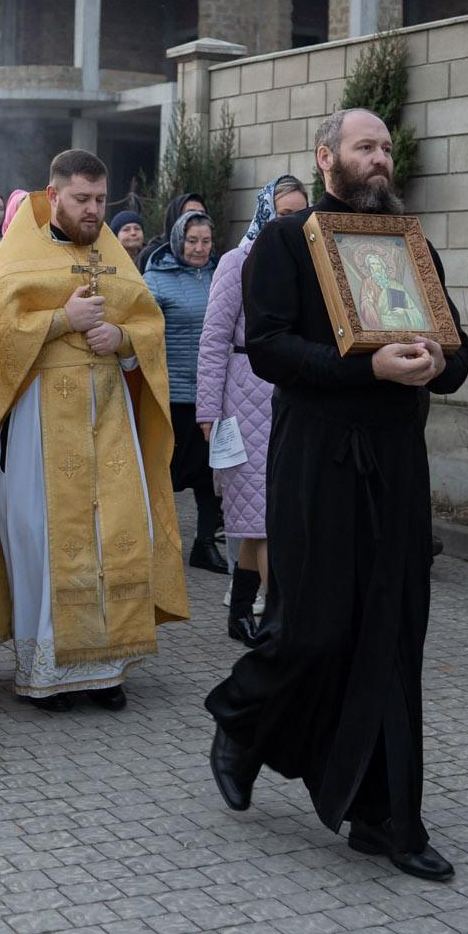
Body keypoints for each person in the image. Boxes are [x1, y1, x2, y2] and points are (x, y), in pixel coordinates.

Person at [205, 109, 468, 882]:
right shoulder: (286, 241)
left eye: (386, 147)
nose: (381, 157)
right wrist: (368, 368)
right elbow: (271, 349)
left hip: (397, 460)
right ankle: (241, 719)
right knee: (315, 625)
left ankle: (385, 815)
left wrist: (435, 363)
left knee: (393, 631)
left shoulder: (411, 247)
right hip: (315, 456)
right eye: (366, 146)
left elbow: (457, 353)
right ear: (328, 157)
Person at [0, 150, 185, 712]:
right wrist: (60, 321)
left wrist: (122, 339)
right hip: (37, 423)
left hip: (108, 419)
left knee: (115, 533)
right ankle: (46, 671)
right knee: (42, 539)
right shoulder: (17, 254)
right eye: (82, 199)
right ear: (54, 196)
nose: (93, 210)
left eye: (101, 199)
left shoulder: (112, 255)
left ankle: (105, 669)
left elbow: (148, 321)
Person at [196, 174, 308, 643]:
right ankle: (284, 630)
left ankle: (240, 612)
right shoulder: (236, 261)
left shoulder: (310, 260)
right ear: (266, 213)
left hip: (293, 398)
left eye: (300, 214)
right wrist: (207, 412)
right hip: (243, 400)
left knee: (260, 519)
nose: (293, 223)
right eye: (284, 214)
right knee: (261, 519)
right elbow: (213, 340)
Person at [143, 210, 226, 575]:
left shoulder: (221, 274)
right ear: (178, 240)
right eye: (192, 241)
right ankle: (153, 547)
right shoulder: (154, 279)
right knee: (162, 475)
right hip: (173, 396)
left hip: (212, 395)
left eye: (206, 241)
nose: (199, 248)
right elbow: (144, 332)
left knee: (211, 476)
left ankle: (204, 544)